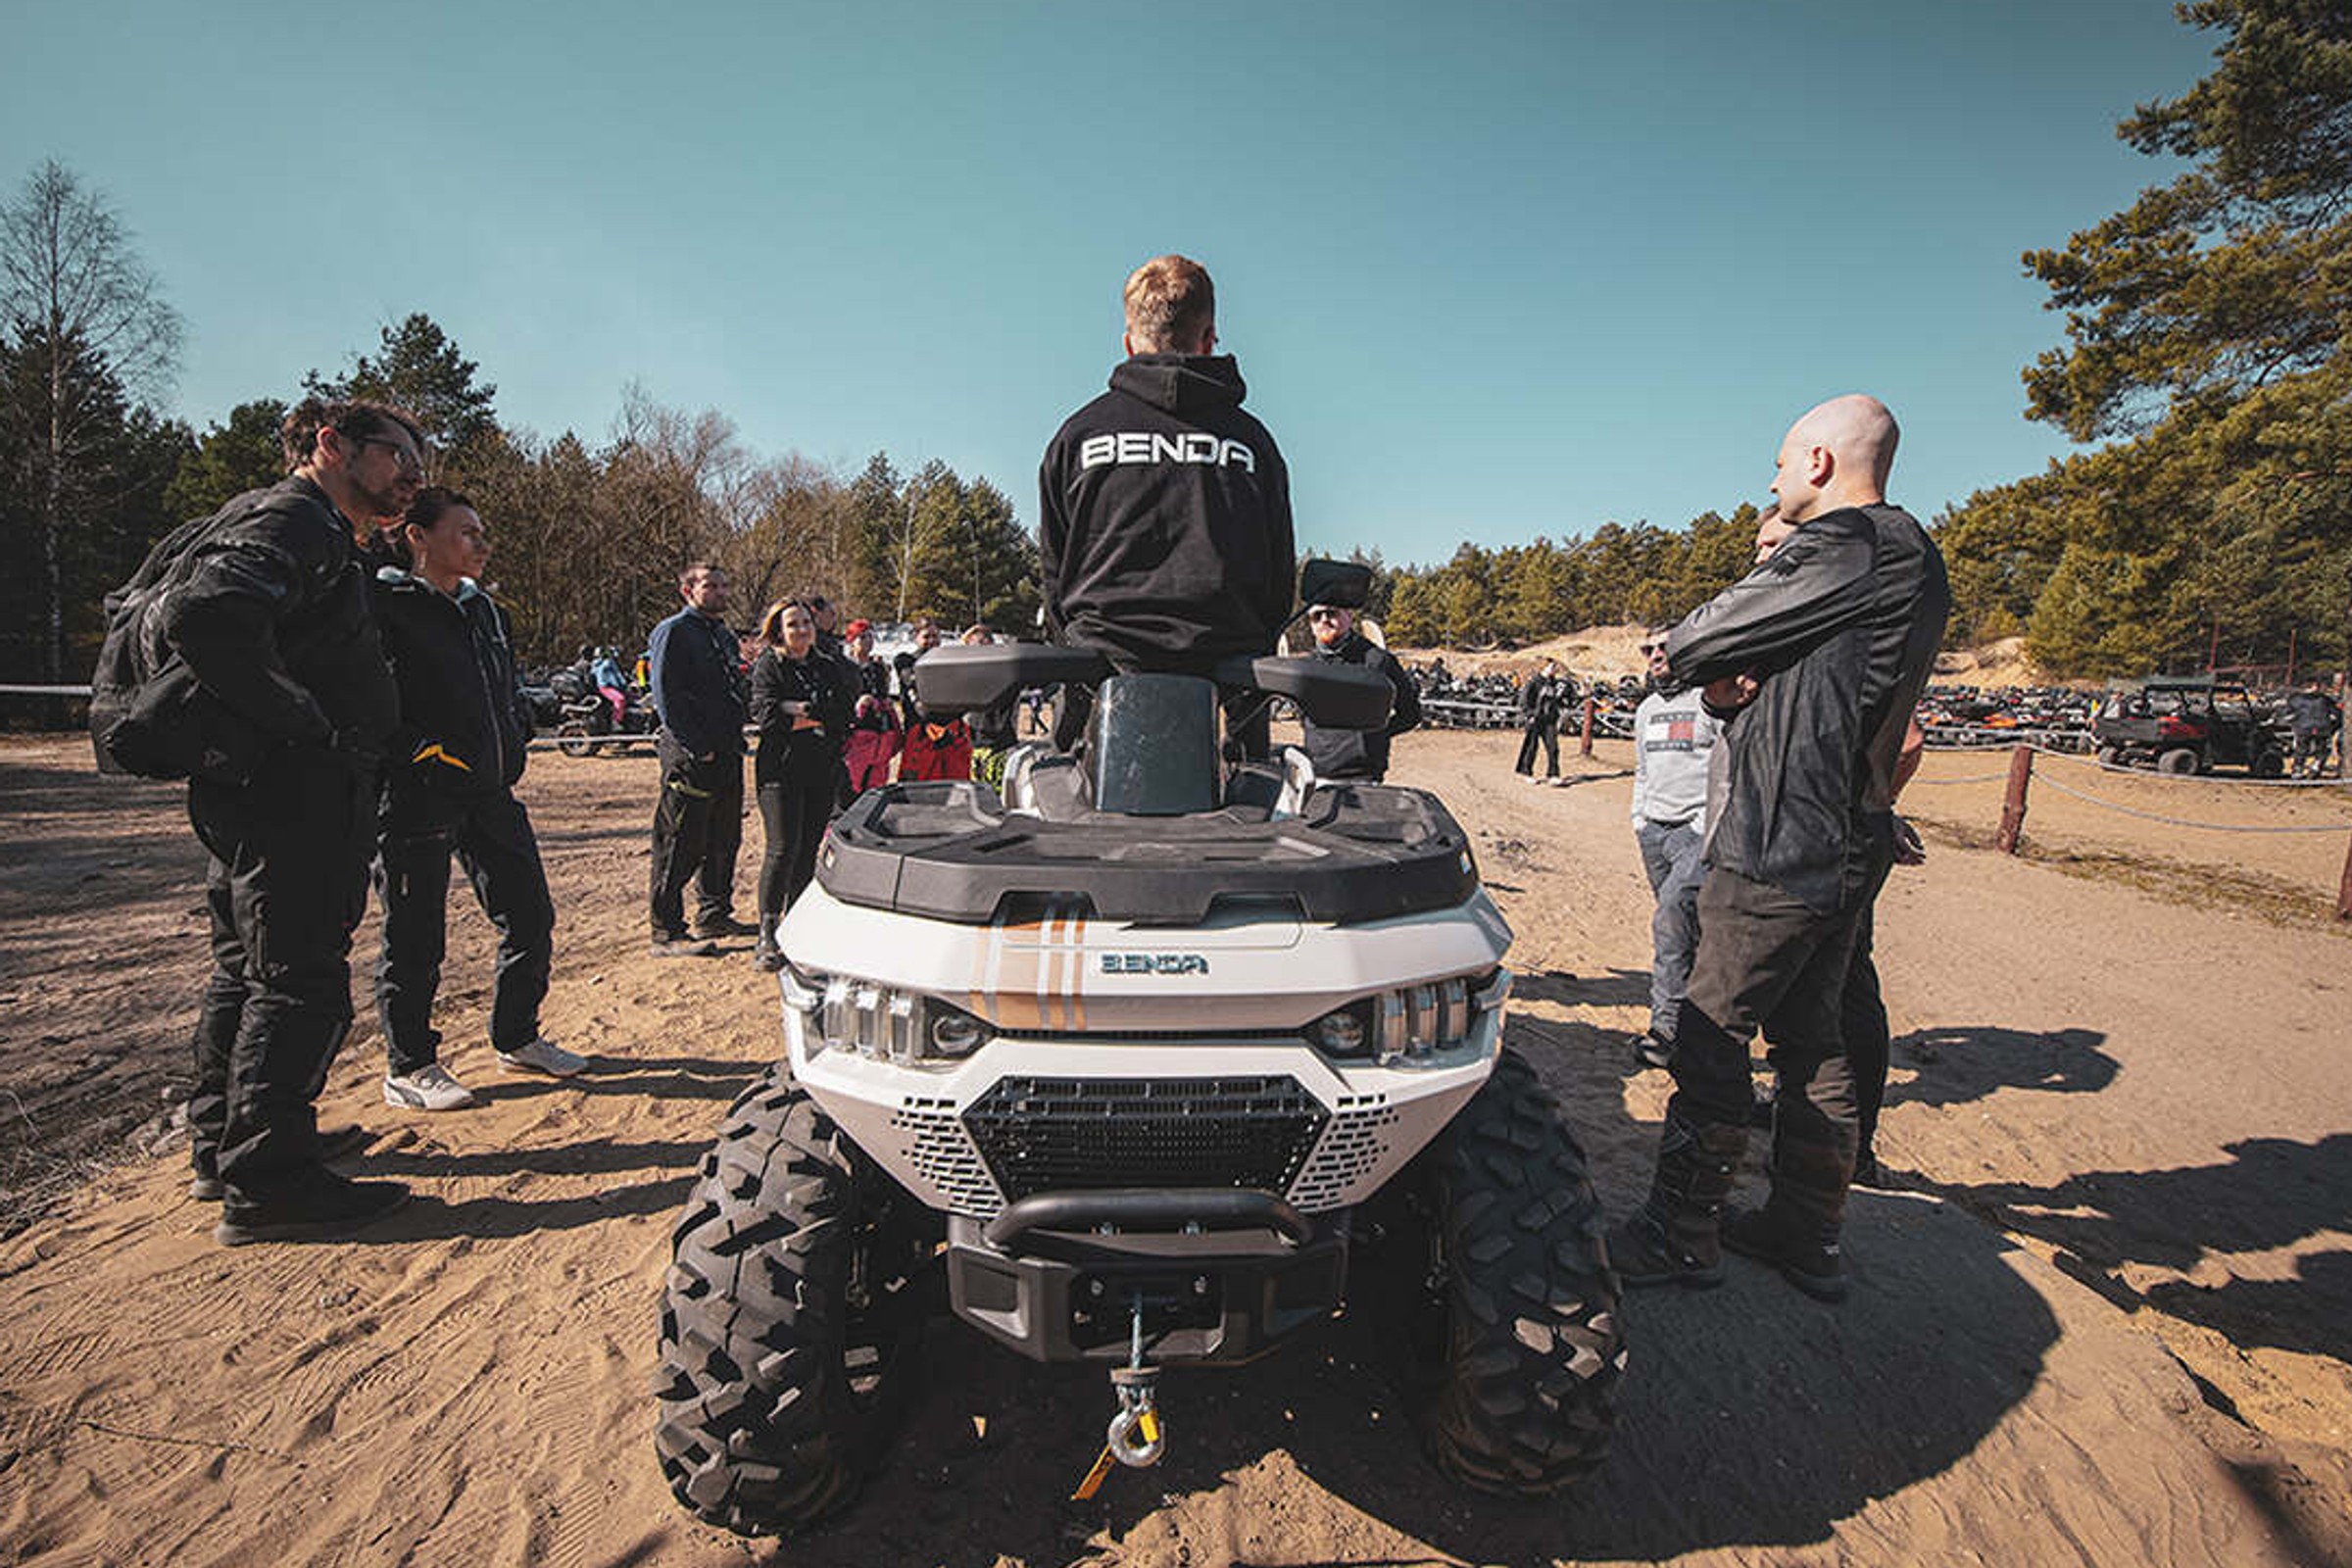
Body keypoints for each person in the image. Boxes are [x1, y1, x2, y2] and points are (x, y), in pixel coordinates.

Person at [1607, 395, 1948, 1303]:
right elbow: (1804, 692)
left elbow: (1704, 634)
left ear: (1822, 463)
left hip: (1779, 839)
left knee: (1711, 1037)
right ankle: (1809, 1236)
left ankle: (1681, 1233)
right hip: (1844, 833)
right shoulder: (1909, 559)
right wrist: (1727, 696)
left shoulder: (1847, 544)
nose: (1773, 479)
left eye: (1781, 462)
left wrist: (1681, 649)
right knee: (1819, 1044)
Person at [163, 397, 421, 1245]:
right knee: (298, 976)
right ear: (330, 444)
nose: (410, 479)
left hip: (259, 787)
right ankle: (268, 1178)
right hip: (292, 792)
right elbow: (204, 618)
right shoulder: (296, 521)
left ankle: (227, 1144)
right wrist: (308, 725)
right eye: (396, 457)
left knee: (246, 968)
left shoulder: (284, 523)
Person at [370, 488, 582, 1111]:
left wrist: (511, 742)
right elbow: (373, 704)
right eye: (467, 532)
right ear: (418, 537)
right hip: (417, 798)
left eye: (483, 532)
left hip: (491, 791)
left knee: (530, 916)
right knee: (415, 936)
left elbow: (503, 692)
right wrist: (424, 755)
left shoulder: (487, 611)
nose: (483, 544)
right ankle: (409, 1065)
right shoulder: (386, 605)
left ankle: (517, 1036)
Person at [1038, 253, 1296, 758]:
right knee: (1258, 811)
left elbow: (1054, 572)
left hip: (1101, 667)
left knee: (1060, 810)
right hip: (1228, 679)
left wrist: (1071, 641)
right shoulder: (1252, 444)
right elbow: (1277, 579)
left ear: (1130, 343)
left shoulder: (1079, 436)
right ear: (1209, 338)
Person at [647, 563, 751, 956]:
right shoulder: (674, 632)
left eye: (725, 585)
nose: (721, 591)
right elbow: (666, 696)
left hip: (728, 751)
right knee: (680, 842)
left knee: (724, 838)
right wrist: (697, 746)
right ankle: (667, 929)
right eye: (711, 585)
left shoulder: (721, 634)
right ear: (688, 591)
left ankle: (714, 912)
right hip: (691, 757)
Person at [1628, 628, 1721, 1068]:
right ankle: (1696, 1025)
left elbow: (1729, 768)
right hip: (1654, 832)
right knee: (1685, 929)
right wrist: (1639, 819)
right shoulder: (1647, 709)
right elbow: (1642, 770)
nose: (1656, 656)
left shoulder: (1709, 701)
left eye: (1665, 647)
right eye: (1649, 649)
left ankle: (1666, 1030)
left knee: (1670, 920)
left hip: (1695, 831)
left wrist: (1705, 826)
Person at [749, 599, 851, 970]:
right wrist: (814, 713)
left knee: (809, 848)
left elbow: (842, 713)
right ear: (779, 629)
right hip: (781, 770)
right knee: (782, 848)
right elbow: (767, 717)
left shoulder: (826, 665)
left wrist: (798, 710)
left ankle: (798, 925)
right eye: (793, 624)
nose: (802, 630)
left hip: (820, 767)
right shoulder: (770, 665)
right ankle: (768, 931)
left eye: (806, 622)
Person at [1298, 602, 1421, 782]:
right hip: (1315, 773)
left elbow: (1411, 714)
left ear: (1349, 616)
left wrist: (1374, 735)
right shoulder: (1306, 666)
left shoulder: (1379, 661)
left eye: (1331, 613)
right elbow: (1303, 714)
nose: (1324, 620)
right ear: (1311, 625)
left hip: (1363, 776)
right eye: (1317, 616)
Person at [841, 619, 902, 794]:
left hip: (880, 733)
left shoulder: (878, 668)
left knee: (876, 785)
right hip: (856, 735)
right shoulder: (844, 668)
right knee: (852, 785)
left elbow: (884, 694)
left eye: (870, 636)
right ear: (851, 641)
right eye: (862, 637)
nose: (868, 641)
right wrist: (858, 703)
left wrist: (884, 703)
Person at [961, 622, 1019, 792]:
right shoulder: (964, 671)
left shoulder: (1006, 669)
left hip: (1000, 743)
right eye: (976, 643)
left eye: (986, 641)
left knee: (999, 793)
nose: (982, 645)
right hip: (972, 744)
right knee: (976, 793)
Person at [1514, 662, 1565, 780]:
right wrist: (1529, 714)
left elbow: (1559, 699)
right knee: (1532, 746)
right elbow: (1523, 700)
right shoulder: (1534, 682)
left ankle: (1553, 774)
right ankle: (1526, 772)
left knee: (1553, 748)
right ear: (1544, 667)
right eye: (1552, 666)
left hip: (1549, 720)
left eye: (1555, 667)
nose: (1555, 669)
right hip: (1535, 718)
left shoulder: (1555, 683)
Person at [2285, 679, 2341, 779]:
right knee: (2322, 750)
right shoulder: (2324, 699)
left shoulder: (2295, 699)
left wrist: (2294, 723)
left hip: (2304, 727)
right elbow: (2337, 714)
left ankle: (2298, 770)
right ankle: (2315, 766)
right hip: (2320, 727)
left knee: (2302, 749)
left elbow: (2287, 713)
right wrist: (2333, 726)